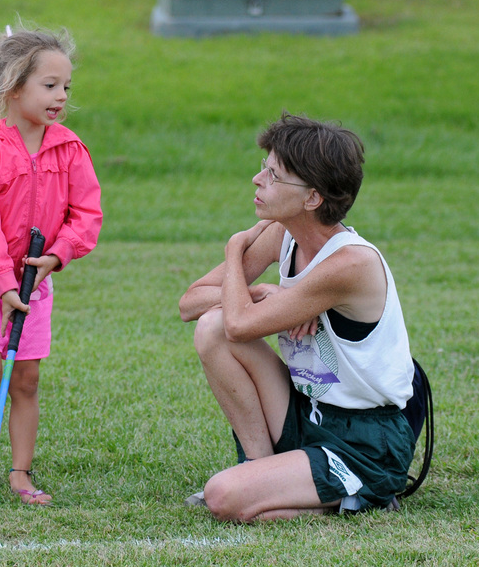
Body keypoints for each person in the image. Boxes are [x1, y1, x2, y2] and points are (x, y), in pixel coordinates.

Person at [178, 113, 415, 521]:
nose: (257, 179)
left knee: (222, 497)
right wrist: (265, 293)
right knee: (210, 327)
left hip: (365, 441)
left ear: (312, 198)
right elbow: (191, 303)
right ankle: (259, 467)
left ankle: (364, 495)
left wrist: (235, 250)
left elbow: (241, 323)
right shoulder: (283, 235)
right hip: (309, 413)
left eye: (273, 175)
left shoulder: (351, 263)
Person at [0, 25, 102, 506]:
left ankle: (18, 472)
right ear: (14, 87)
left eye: (66, 87)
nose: (61, 97)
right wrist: (1, 282)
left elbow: (87, 214)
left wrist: (58, 255)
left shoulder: (71, 149)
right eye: (50, 85)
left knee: (27, 380)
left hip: (34, 283)